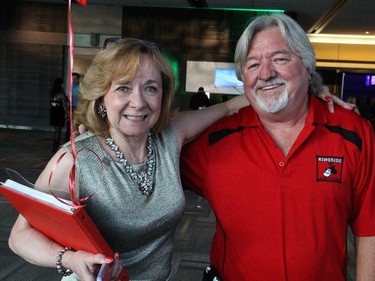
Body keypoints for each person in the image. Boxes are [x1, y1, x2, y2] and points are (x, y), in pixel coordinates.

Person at [8, 38, 249, 281]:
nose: (138, 102)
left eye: (150, 88)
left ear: (162, 96)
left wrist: (274, 86)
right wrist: (70, 259)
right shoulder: (76, 159)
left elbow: (229, 108)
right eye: (123, 87)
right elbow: (20, 236)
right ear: (102, 96)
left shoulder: (170, 135)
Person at [181, 13, 375, 281]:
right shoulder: (216, 141)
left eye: (280, 59)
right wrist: (229, 105)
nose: (266, 73)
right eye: (252, 65)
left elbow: (369, 230)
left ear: (307, 66)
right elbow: (149, 133)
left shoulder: (353, 133)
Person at [49, 77, 69, 153]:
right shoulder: (61, 93)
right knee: (58, 131)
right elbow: (65, 105)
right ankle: (55, 147)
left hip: (53, 112)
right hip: (59, 113)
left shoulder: (52, 92)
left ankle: (54, 147)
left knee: (56, 131)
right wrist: (67, 115)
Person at [65, 72, 81, 142]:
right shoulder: (70, 88)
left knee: (76, 126)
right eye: (72, 79)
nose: (73, 80)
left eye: (75, 79)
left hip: (77, 109)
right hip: (70, 108)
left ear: (78, 79)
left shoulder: (80, 88)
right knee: (69, 126)